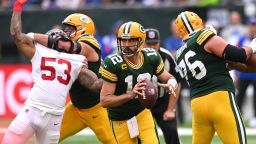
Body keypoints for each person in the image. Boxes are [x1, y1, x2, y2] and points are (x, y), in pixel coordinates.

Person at [3, 1, 102, 143]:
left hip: (51, 116)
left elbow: (93, 83)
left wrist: (110, 78)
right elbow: (93, 83)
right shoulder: (70, 58)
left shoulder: (76, 58)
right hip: (35, 110)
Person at [32, 13, 116, 143]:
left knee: (117, 141)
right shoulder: (67, 50)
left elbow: (70, 47)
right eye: (66, 28)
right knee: (45, 138)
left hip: (98, 108)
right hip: (76, 108)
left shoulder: (89, 42)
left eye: (70, 28)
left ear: (83, 29)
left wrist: (33, 37)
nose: (66, 31)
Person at [175, 11, 255, 144]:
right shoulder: (204, 36)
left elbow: (227, 64)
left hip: (197, 105)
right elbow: (239, 55)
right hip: (219, 98)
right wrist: (252, 47)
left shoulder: (179, 53)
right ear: (199, 22)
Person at [99, 21, 178, 144]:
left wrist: (171, 84)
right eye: (123, 40)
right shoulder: (113, 62)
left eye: (131, 40)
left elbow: (169, 77)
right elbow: (104, 100)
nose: (126, 44)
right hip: (120, 117)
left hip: (142, 112)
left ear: (141, 41)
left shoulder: (152, 56)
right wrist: (130, 95)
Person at [144, 28, 182, 144]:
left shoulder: (166, 56)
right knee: (141, 136)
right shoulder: (136, 56)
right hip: (142, 102)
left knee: (171, 132)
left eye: (154, 43)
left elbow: (177, 82)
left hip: (162, 101)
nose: (152, 47)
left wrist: (170, 109)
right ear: (142, 43)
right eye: (148, 43)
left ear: (159, 42)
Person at [235, 17, 256, 128]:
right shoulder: (242, 39)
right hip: (243, 74)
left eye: (254, 26)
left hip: (255, 74)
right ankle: (239, 116)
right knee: (240, 96)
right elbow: (236, 54)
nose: (253, 28)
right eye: (251, 26)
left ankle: (254, 117)